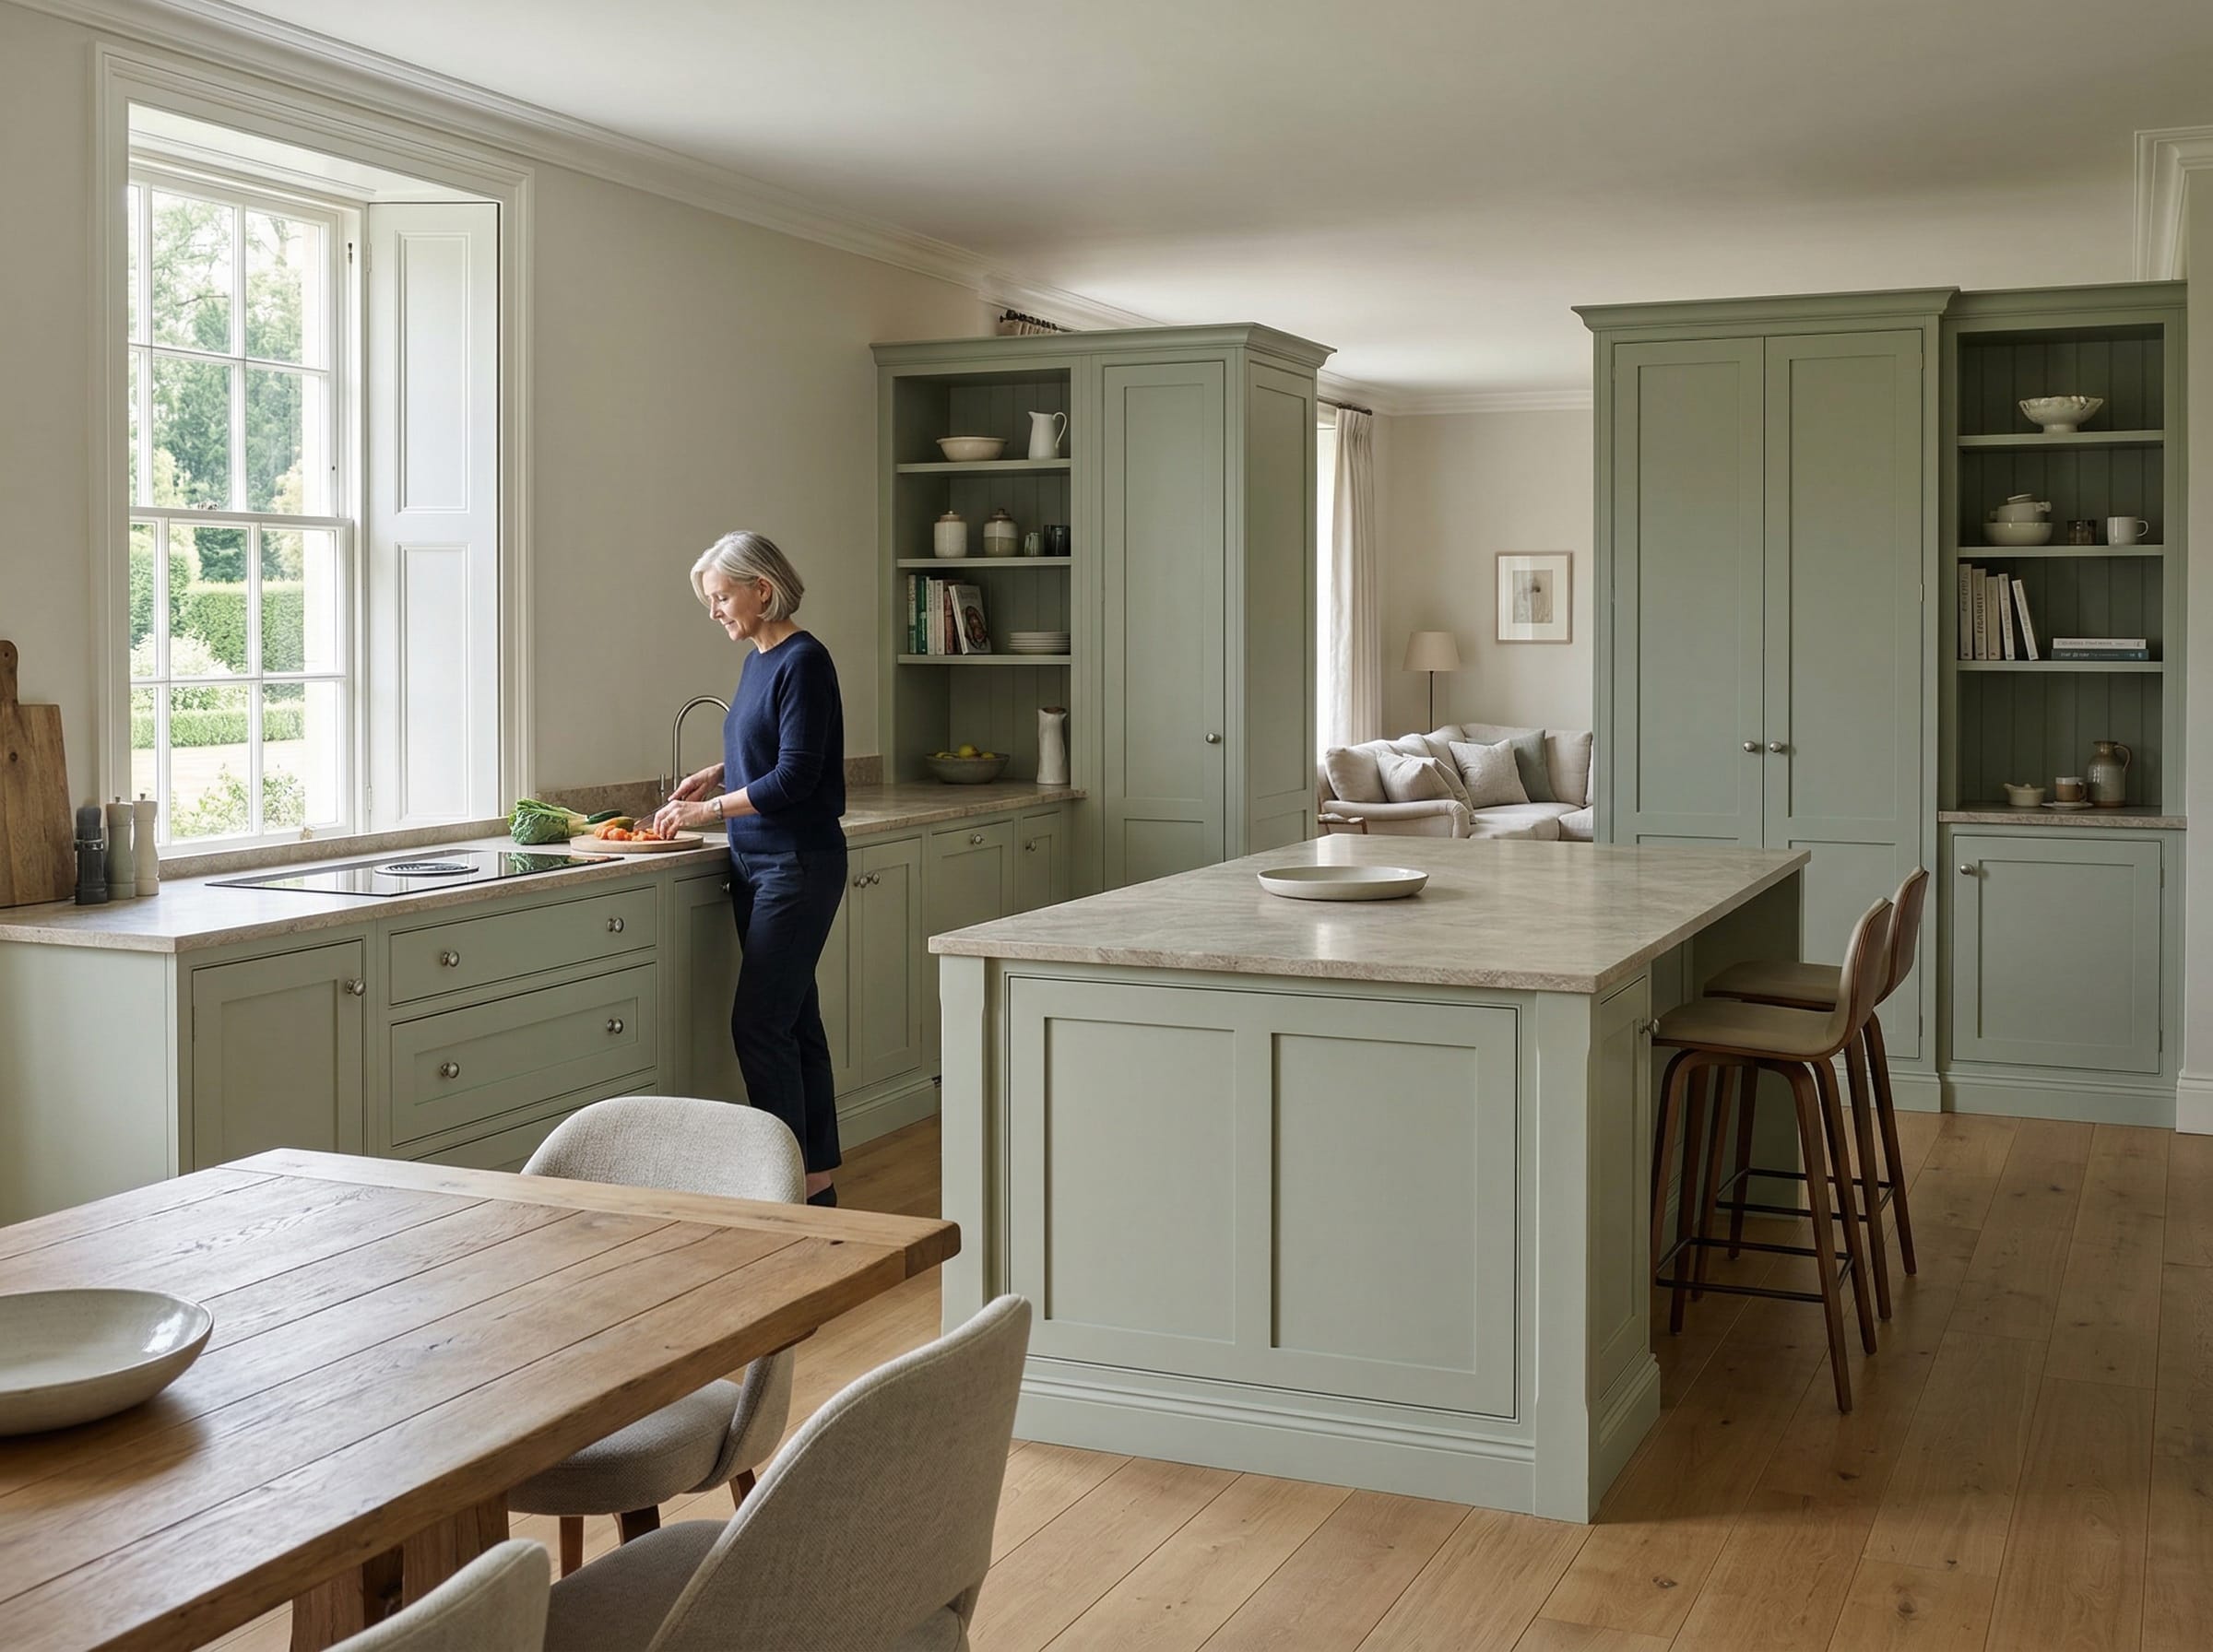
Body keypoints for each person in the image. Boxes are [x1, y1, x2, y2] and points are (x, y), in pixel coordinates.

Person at [656, 532, 846, 1205]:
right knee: (793, 1021)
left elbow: (796, 777)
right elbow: (769, 751)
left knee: (760, 1025)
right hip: (759, 862)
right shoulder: (759, 661)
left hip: (797, 862)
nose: (714, 611)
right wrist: (715, 775)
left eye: (721, 596)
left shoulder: (804, 660)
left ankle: (781, 1186)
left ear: (761, 590)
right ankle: (814, 1177)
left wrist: (709, 816)